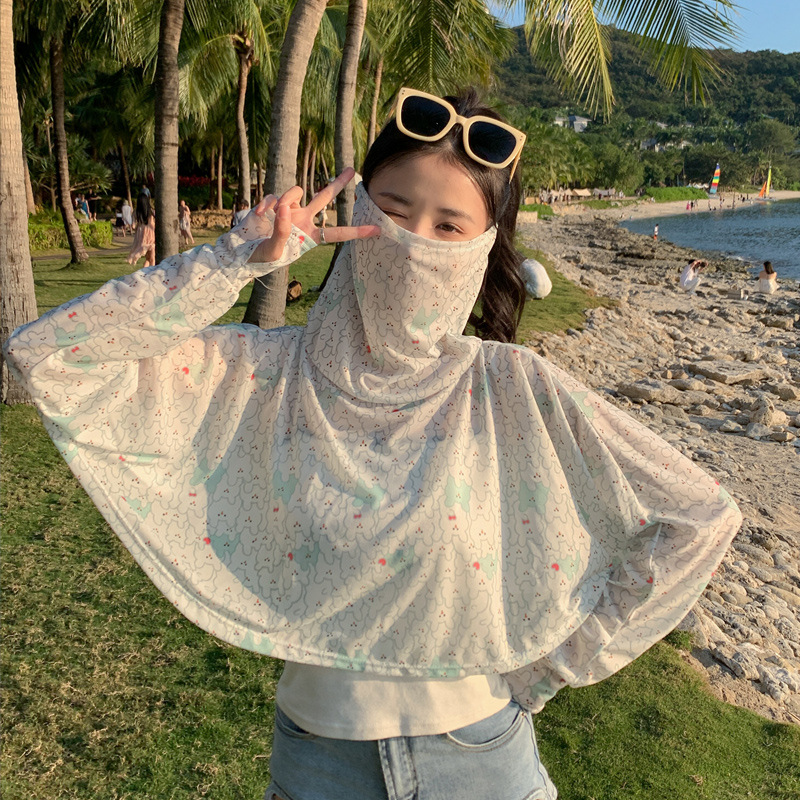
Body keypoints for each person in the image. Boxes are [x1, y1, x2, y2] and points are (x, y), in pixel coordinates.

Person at [2, 88, 741, 800]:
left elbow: (700, 516)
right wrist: (233, 260)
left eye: (448, 226)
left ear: (483, 246)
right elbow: (50, 358)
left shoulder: (511, 388)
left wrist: (556, 667)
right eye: (393, 210)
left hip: (481, 762)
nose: (414, 243)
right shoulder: (260, 378)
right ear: (357, 211)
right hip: (315, 765)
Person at [127, 189, 156, 267]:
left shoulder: (136, 212)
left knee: (148, 258)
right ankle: (151, 272)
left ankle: (145, 271)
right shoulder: (151, 211)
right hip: (151, 233)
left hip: (141, 235)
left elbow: (133, 226)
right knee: (152, 258)